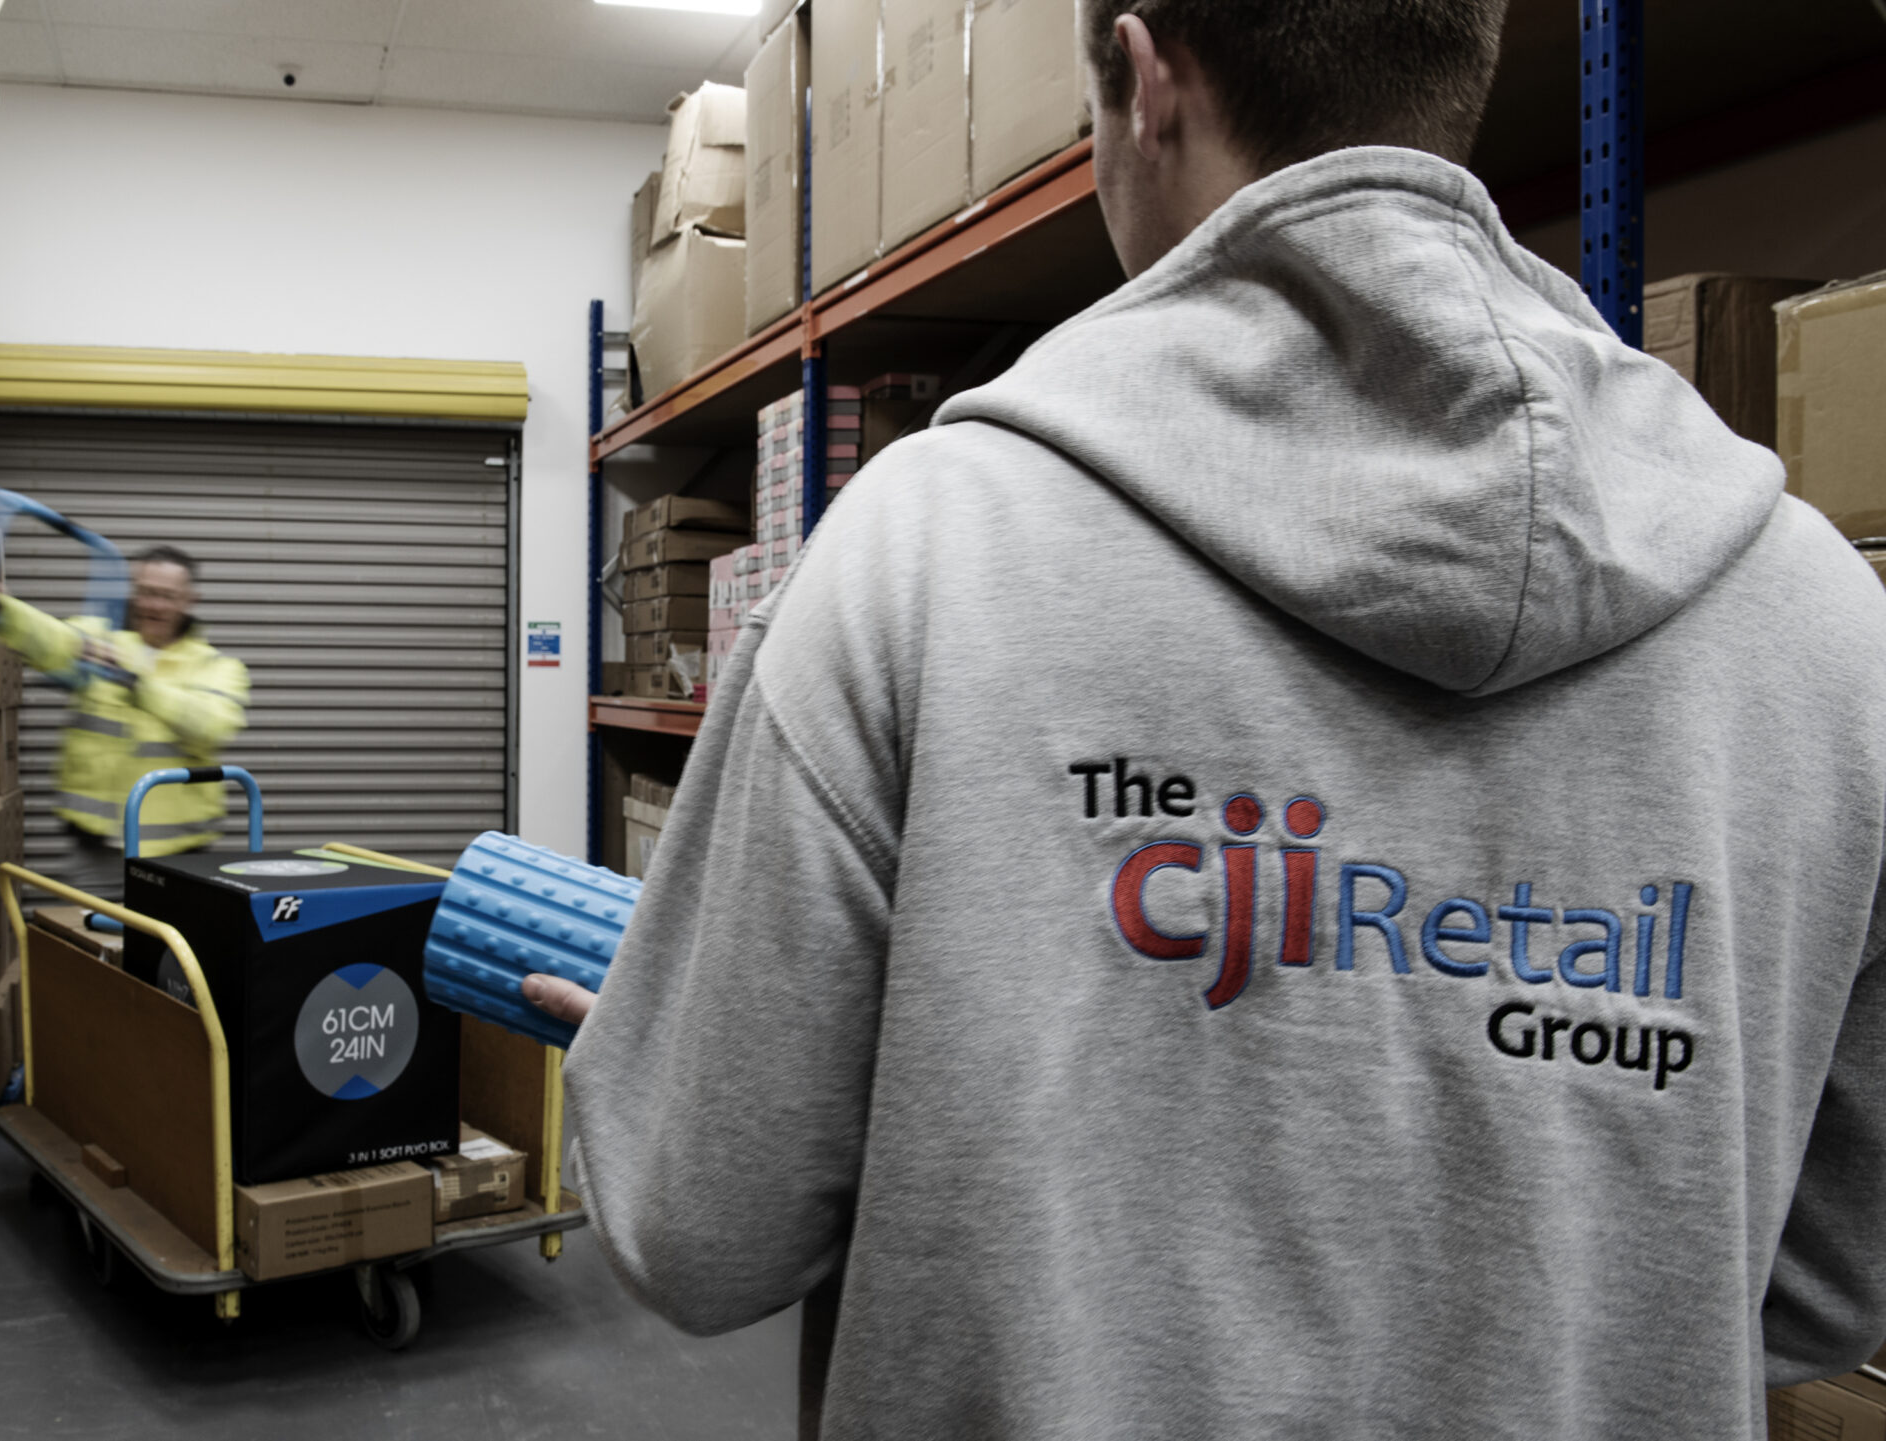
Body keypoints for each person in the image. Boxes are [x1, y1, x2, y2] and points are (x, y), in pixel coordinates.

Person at [528, 1, 1886, 1435]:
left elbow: (703, 1229)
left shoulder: (921, 557)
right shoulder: (1826, 624)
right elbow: (1822, 1283)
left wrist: (681, 1053)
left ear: (1148, 76)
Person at [0, 545, 249, 899]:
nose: (154, 605)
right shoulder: (101, 640)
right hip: (96, 850)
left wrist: (137, 683)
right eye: (147, 592)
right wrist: (2, 609)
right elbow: (53, 641)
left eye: (167, 596)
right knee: (90, 949)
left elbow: (211, 725)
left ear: (190, 600)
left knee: (169, 953)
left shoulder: (217, 667)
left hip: (178, 859)